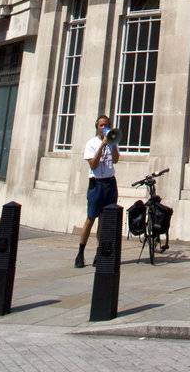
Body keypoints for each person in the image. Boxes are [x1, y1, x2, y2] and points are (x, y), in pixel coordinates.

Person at [74, 112, 121, 268]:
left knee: (105, 219)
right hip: (97, 184)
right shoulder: (91, 143)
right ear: (97, 127)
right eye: (102, 125)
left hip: (110, 183)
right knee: (91, 218)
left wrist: (112, 144)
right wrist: (102, 145)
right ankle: (80, 253)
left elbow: (115, 160)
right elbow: (93, 164)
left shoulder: (112, 142)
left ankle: (99, 253)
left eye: (106, 125)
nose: (104, 127)